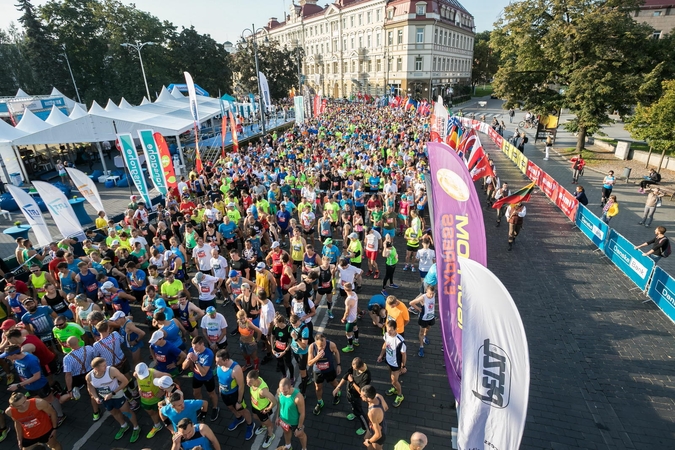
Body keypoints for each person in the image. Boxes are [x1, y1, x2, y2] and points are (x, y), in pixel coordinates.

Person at [2, 344, 66, 426]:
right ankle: (49, 413)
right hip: (29, 386)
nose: (6, 358)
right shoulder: (16, 359)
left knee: (50, 399)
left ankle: (60, 415)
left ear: (14, 355)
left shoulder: (30, 361)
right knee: (38, 400)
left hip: (40, 385)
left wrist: (18, 385)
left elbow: (37, 376)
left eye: (7, 356)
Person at [85, 356, 141, 442]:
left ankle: (136, 427)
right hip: (105, 398)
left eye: (105, 364)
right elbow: (90, 387)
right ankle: (124, 425)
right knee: (114, 412)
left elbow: (125, 381)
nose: (106, 366)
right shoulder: (89, 376)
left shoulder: (111, 370)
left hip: (117, 395)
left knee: (127, 412)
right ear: (96, 368)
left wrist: (113, 393)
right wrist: (96, 397)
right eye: (103, 365)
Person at [215, 349, 257, 440]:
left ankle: (250, 424)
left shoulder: (235, 369)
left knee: (243, 410)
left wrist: (239, 401)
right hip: (224, 394)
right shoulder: (219, 366)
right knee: (230, 408)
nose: (216, 364)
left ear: (226, 360)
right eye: (216, 361)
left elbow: (241, 386)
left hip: (234, 395)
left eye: (218, 362)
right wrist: (219, 390)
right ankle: (239, 418)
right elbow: (219, 379)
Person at [182, 336, 220, 422]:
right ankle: (201, 406)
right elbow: (184, 367)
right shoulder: (192, 351)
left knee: (211, 394)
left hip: (207, 378)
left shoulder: (209, 354)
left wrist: (195, 361)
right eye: (192, 347)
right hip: (196, 377)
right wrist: (188, 359)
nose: (194, 349)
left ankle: (215, 408)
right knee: (196, 393)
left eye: (196, 347)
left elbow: (203, 373)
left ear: (202, 344)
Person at [333, 356, 371, 436]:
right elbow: (346, 375)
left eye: (355, 369)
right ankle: (354, 412)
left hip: (356, 397)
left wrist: (352, 382)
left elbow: (361, 392)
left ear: (360, 367)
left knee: (359, 412)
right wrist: (338, 387)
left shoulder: (366, 376)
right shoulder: (354, 366)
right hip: (350, 393)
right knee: (353, 407)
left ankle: (365, 427)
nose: (353, 370)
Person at [307, 332, 342, 416]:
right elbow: (309, 363)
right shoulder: (312, 347)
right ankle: (320, 402)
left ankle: (337, 393)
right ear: (316, 343)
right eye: (320, 346)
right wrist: (317, 357)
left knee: (334, 383)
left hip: (329, 370)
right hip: (318, 371)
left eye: (324, 344)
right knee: (318, 387)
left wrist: (338, 365)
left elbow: (336, 352)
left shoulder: (331, 345)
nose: (323, 347)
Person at [133, 362, 169, 439]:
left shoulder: (154, 373)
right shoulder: (136, 374)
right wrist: (139, 388)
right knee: (152, 413)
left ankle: (171, 425)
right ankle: (157, 425)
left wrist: (162, 390)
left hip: (157, 399)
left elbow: (168, 377)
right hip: (145, 400)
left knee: (165, 412)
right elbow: (138, 381)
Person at [377, 320, 407, 408]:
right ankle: (394, 389)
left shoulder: (400, 341)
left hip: (396, 364)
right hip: (388, 360)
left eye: (391, 330)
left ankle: (400, 395)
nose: (388, 332)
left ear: (395, 329)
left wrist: (403, 366)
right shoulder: (386, 335)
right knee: (391, 377)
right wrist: (381, 355)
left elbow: (404, 355)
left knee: (394, 380)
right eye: (387, 329)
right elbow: (385, 344)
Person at [245, 369, 277, 448]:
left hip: (262, 409)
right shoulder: (254, 382)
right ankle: (263, 426)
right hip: (255, 406)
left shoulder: (262, 391)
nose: (247, 384)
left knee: (268, 423)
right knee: (255, 417)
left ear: (256, 380)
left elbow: (274, 401)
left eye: (250, 382)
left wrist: (268, 408)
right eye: (247, 381)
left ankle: (270, 435)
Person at [276, 377, 308, 450]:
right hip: (283, 420)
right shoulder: (279, 391)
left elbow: (302, 413)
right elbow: (280, 404)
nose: (283, 393)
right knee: (286, 432)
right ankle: (288, 445)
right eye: (281, 391)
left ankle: (304, 448)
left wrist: (299, 428)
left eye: (285, 391)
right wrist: (277, 417)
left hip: (294, 423)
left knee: (301, 435)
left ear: (291, 387)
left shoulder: (298, 397)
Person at [408, 286, 436, 357]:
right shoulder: (423, 297)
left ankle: (424, 337)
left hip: (431, 317)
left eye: (432, 293)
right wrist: (418, 309)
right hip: (424, 318)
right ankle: (421, 347)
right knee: (421, 332)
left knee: (428, 328)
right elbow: (411, 303)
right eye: (430, 293)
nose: (431, 295)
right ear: (426, 291)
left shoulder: (434, 295)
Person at [361, 384, 388, 450]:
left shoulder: (372, 413)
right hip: (377, 425)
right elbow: (386, 408)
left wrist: (369, 442)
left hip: (379, 432)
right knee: (366, 439)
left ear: (369, 399)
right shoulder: (378, 396)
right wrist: (379, 417)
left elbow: (378, 435)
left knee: (376, 448)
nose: (360, 396)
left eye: (362, 396)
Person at [341, 282, 359, 352]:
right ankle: (356, 341)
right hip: (355, 316)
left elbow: (347, 312)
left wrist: (343, 318)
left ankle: (350, 346)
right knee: (355, 327)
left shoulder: (348, 300)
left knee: (348, 333)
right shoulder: (354, 294)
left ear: (345, 290)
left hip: (350, 319)